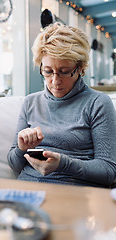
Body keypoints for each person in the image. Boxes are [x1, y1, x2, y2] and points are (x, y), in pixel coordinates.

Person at [7, 22, 116, 187]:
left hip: (76, 194)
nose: (55, 81)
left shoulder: (97, 103)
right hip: (28, 189)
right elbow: (15, 165)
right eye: (48, 71)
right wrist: (21, 148)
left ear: (80, 68)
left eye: (65, 71)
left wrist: (63, 164)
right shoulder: (30, 102)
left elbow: (108, 171)